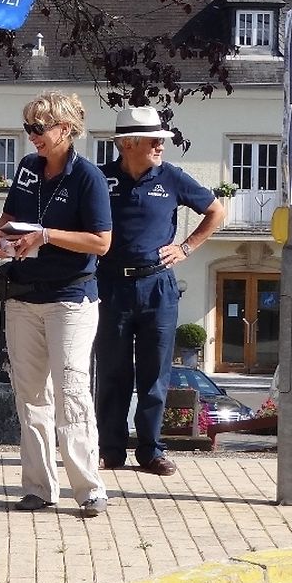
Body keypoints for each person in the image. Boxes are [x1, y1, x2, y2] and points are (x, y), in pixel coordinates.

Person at [0, 91, 112, 518]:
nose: (32, 135)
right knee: (30, 394)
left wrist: (47, 236)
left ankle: (89, 489)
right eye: (28, 127)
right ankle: (38, 486)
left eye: (39, 127)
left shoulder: (88, 177)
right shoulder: (26, 168)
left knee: (71, 392)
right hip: (23, 296)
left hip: (69, 300)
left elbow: (101, 242)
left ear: (66, 129)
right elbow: (7, 219)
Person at [95, 106, 225, 476]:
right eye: (153, 140)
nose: (160, 146)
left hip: (158, 286)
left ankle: (151, 450)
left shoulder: (171, 177)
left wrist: (186, 247)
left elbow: (216, 212)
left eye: (161, 140)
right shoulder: (100, 178)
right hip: (110, 285)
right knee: (112, 371)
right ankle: (110, 450)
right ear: (128, 143)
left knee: (155, 375)